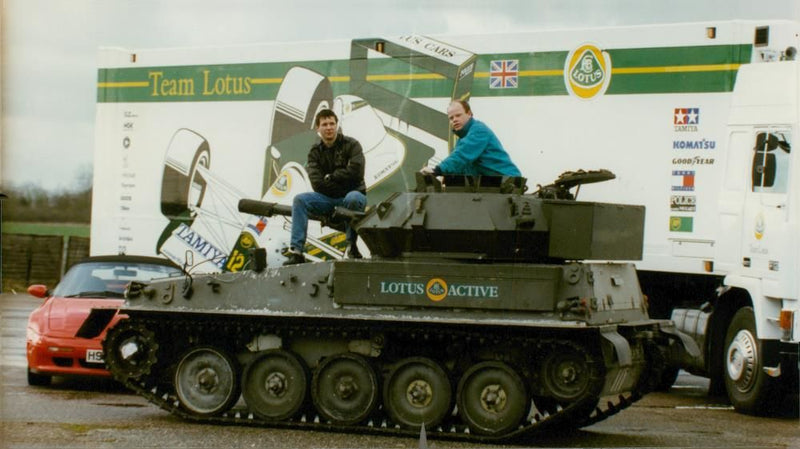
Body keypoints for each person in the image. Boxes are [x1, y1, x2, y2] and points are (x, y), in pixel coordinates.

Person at [284, 109, 367, 265]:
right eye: (324, 124)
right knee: (300, 200)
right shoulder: (314, 153)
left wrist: (332, 177)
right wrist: (342, 181)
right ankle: (296, 251)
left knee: (353, 197)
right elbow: (317, 183)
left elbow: (357, 172)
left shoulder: (352, 145)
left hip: (352, 195)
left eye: (332, 124)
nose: (329, 127)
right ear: (318, 128)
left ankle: (352, 245)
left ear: (336, 125)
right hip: (328, 198)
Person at [421, 100, 521, 177]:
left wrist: (437, 170)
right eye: (451, 118)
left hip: (507, 181)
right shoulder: (463, 138)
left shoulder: (479, 130)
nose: (454, 120)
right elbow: (461, 165)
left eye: (458, 115)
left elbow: (462, 155)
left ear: (469, 114)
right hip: (490, 183)